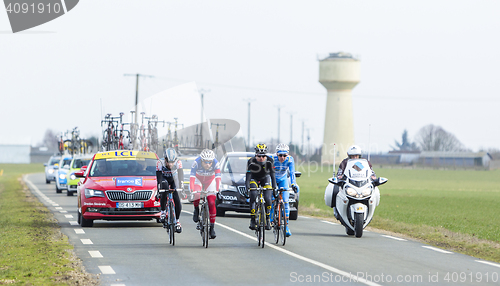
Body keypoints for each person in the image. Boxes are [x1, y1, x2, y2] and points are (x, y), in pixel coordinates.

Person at [190, 149, 221, 239]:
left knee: (211, 202)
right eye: (205, 162)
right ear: (201, 160)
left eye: (210, 162)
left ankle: (212, 227)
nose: (208, 164)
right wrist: (192, 190)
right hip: (198, 180)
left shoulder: (216, 163)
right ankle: (196, 209)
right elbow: (192, 178)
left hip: (210, 181)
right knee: (196, 195)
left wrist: (217, 190)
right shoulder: (196, 163)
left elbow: (218, 178)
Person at [246, 143, 276, 231]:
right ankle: (252, 219)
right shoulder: (251, 161)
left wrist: (274, 188)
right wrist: (248, 188)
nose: (261, 158)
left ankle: (267, 218)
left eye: (263, 156)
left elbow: (273, 176)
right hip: (254, 179)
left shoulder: (270, 161)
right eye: (259, 156)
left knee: (268, 198)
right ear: (256, 155)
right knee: (253, 194)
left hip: (265, 178)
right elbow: (247, 177)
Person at [271, 143, 299, 237]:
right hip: (272, 179)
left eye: (284, 155)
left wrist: (293, 184)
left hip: (283, 179)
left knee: (286, 202)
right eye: (280, 155)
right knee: (271, 198)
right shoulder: (272, 159)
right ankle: (271, 219)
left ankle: (286, 226)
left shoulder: (290, 159)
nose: (282, 157)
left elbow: (292, 173)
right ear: (276, 154)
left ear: (287, 155)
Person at [157, 148, 184, 233]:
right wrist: (159, 189)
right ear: (165, 160)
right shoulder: (159, 163)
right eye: (168, 162)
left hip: (174, 179)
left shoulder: (178, 163)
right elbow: (159, 179)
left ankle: (177, 221)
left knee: (177, 199)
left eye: (172, 162)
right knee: (164, 189)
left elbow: (180, 177)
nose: (170, 164)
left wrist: (181, 188)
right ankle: (163, 212)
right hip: (164, 179)